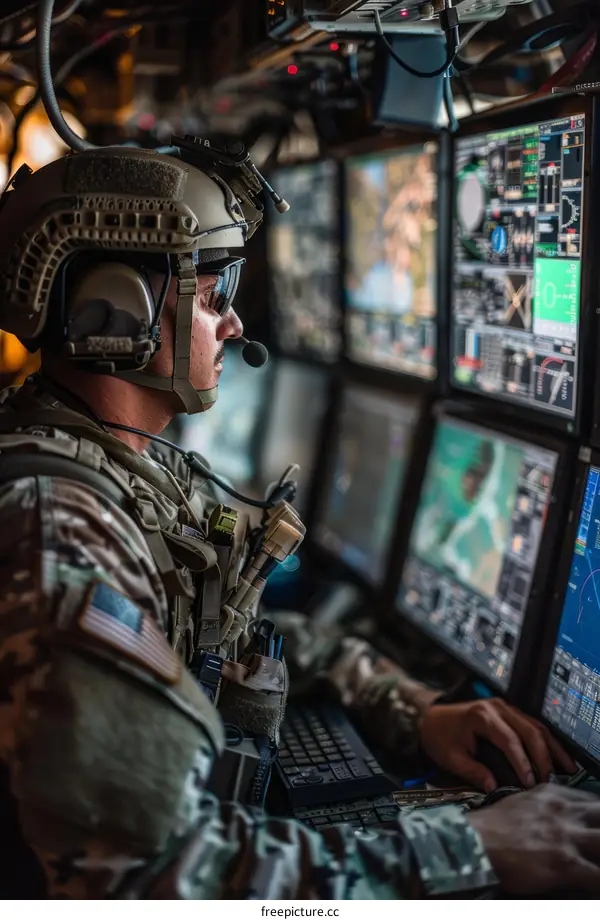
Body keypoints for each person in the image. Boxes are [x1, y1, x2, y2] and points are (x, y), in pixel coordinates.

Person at [0, 139, 598, 901]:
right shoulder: (61, 529)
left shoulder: (118, 466)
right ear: (119, 307)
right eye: (215, 294)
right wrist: (468, 850)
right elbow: (149, 880)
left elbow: (231, 636)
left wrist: (411, 708)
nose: (237, 323)